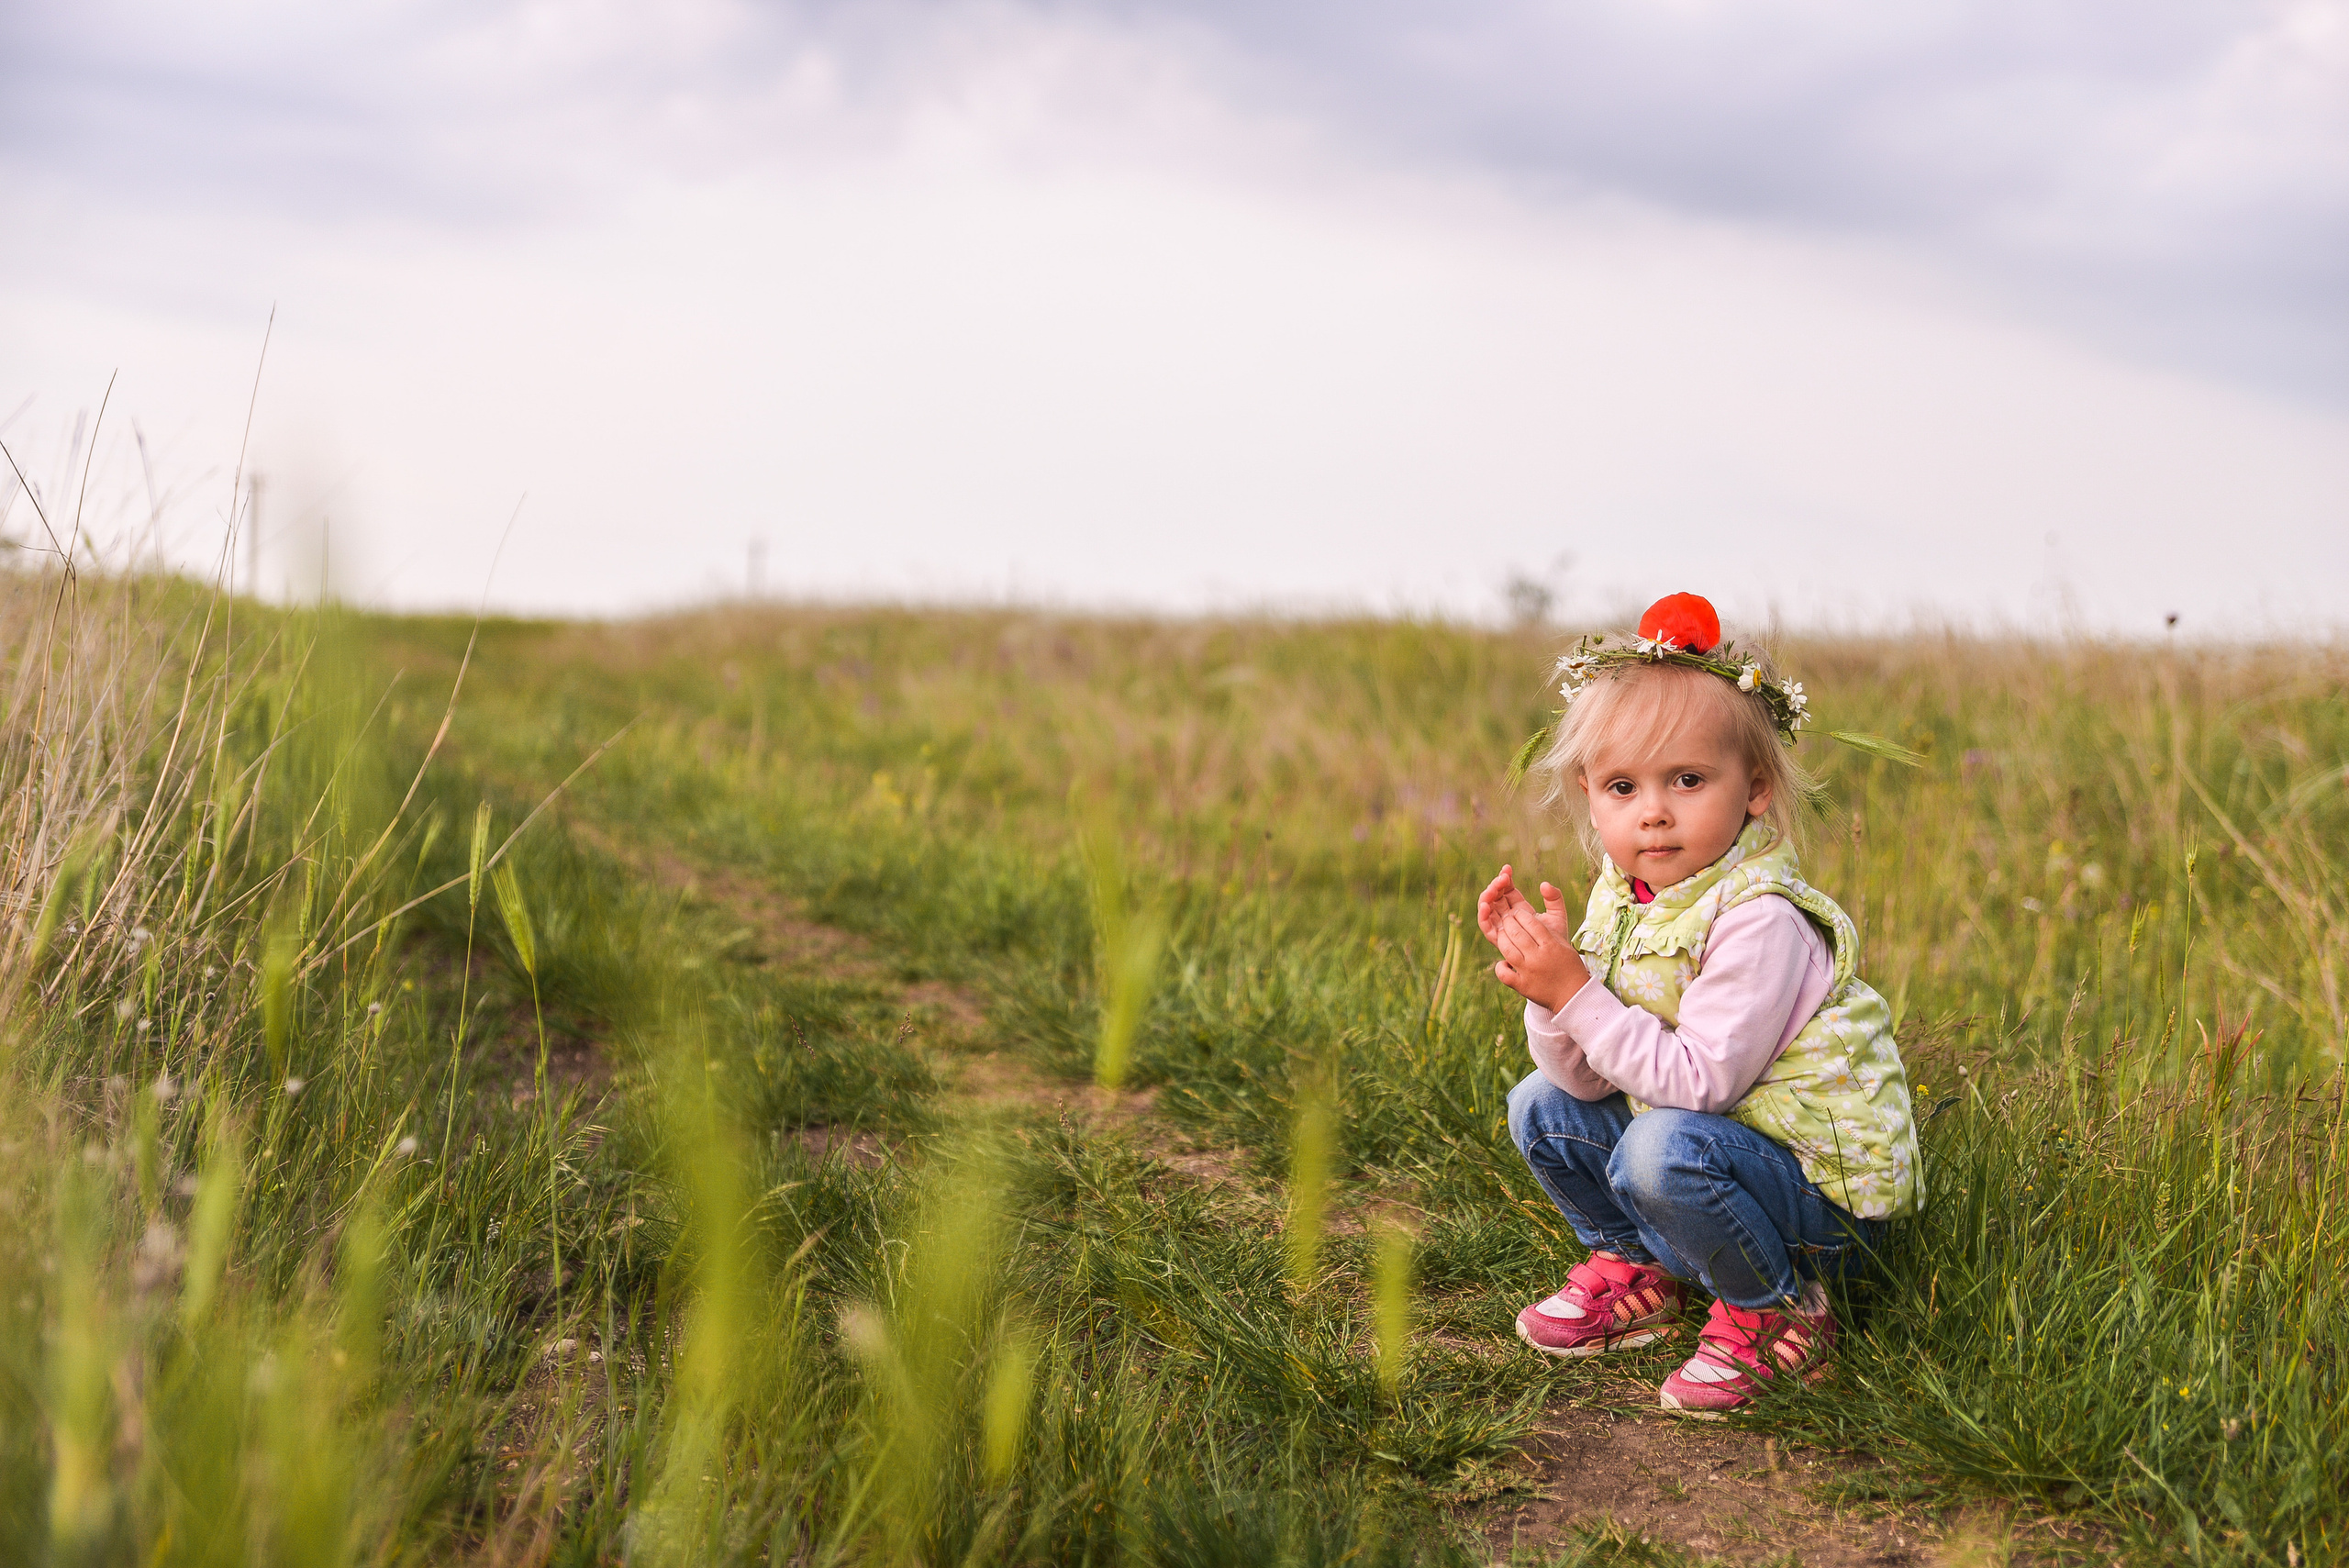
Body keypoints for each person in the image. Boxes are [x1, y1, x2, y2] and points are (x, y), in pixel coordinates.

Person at [1476, 592, 1921, 1418]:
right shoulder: (1632, 897)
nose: (1653, 809)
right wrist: (1550, 992)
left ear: (1754, 788)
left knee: (1658, 1147)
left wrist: (1578, 992)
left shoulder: (1761, 919)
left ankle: (1780, 1307)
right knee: (1539, 1104)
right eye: (1622, 786)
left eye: (1687, 779)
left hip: (1822, 1206)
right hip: (1719, 1158)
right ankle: (1643, 1269)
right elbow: (1582, 1080)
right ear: (1589, 793)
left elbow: (1699, 1084)